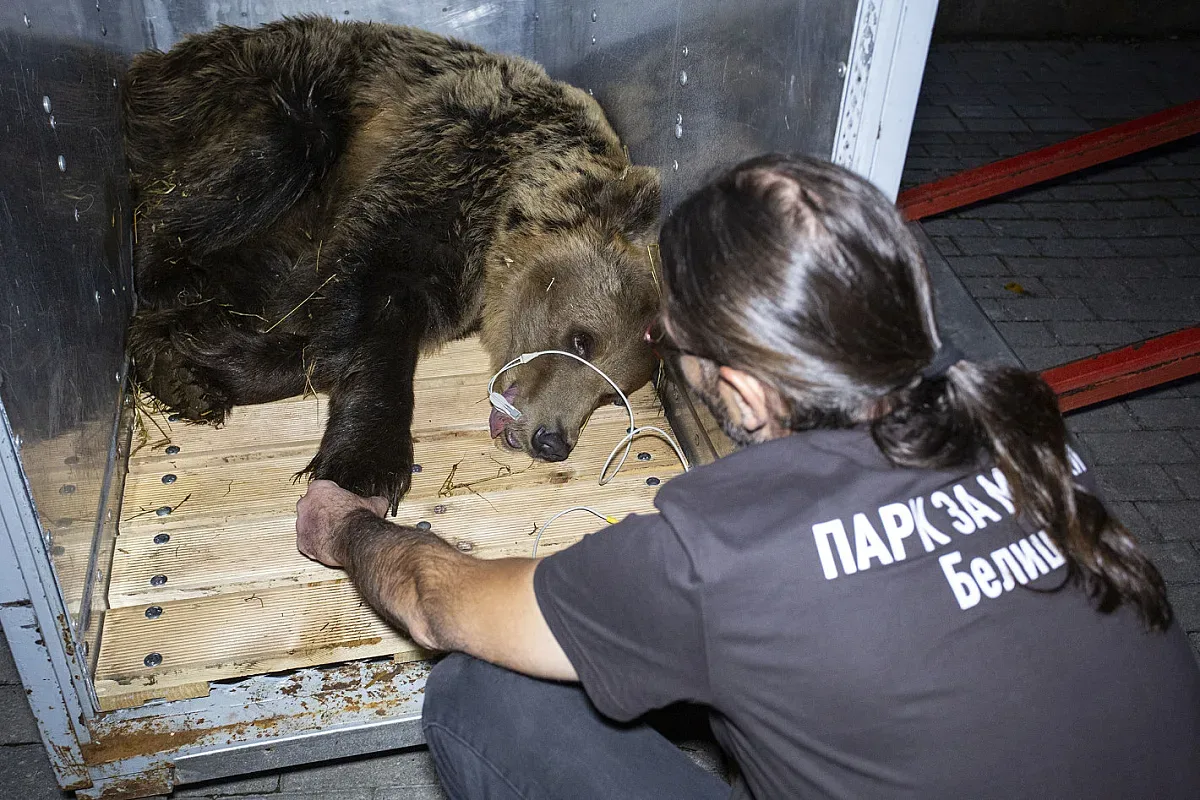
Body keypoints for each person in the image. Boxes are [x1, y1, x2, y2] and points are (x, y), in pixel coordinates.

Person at [295, 154, 1200, 799]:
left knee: (486, 697)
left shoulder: (725, 551)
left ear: (736, 385)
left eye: (671, 341)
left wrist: (351, 527)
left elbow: (437, 604)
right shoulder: (1020, 427)